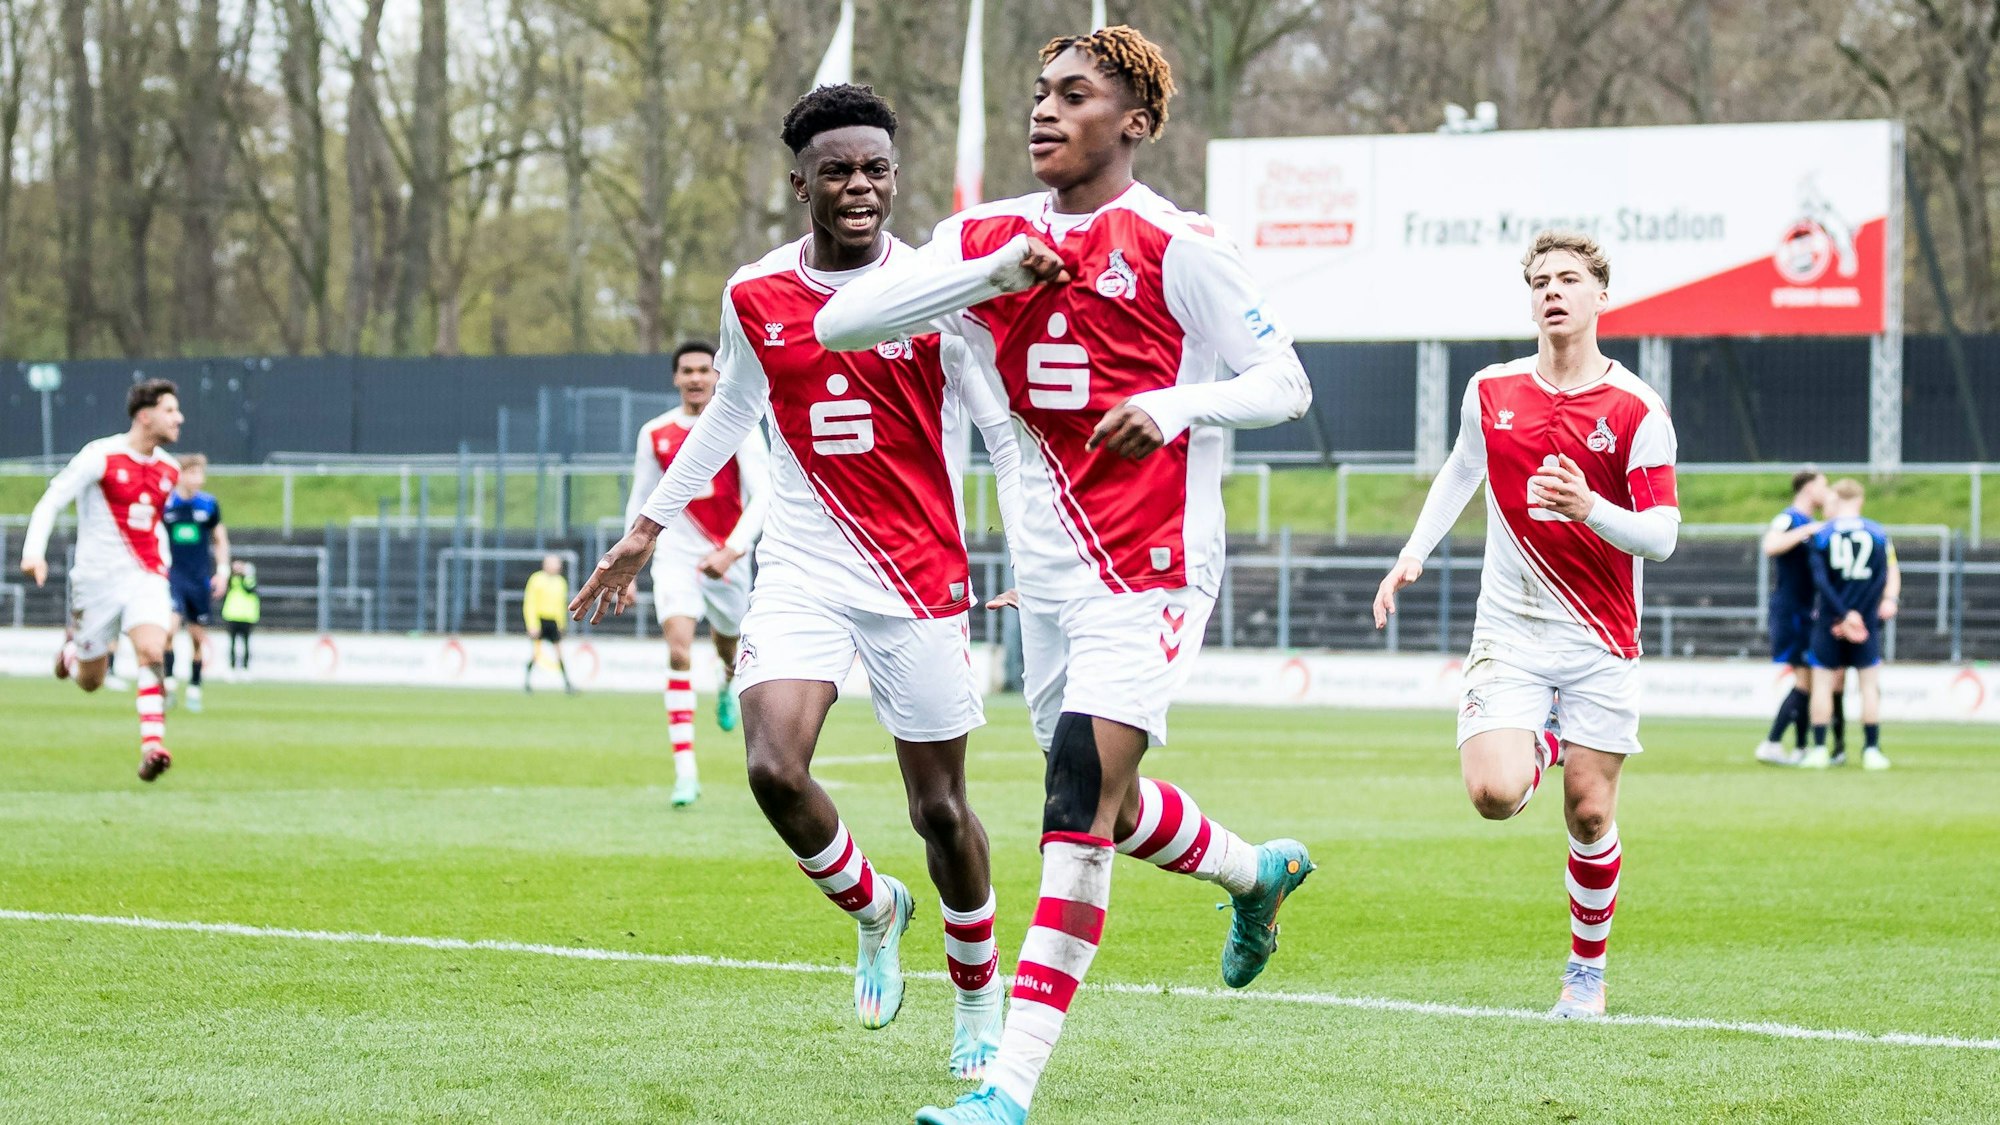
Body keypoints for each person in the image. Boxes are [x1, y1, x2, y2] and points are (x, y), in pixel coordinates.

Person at [813, 29, 1317, 1124]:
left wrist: (1177, 406)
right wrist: (986, 278)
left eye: (1073, 95)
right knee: (1107, 801)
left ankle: (1008, 1086)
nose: (1043, 110)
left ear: (1133, 122)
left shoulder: (1177, 246)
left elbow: (1284, 382)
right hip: (1044, 578)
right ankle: (1250, 873)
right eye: (1038, 92)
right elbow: (839, 321)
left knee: (1071, 805)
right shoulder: (983, 233)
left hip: (1152, 568)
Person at [573, 83, 1022, 1082]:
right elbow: (729, 415)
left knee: (939, 811)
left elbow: (998, 430)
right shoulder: (755, 294)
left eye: (873, 169)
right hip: (805, 570)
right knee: (774, 769)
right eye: (837, 171)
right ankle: (873, 908)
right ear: (799, 185)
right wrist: (645, 529)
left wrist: (1030, 552)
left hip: (919, 577)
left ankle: (977, 993)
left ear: (893, 179)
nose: (858, 185)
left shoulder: (940, 287)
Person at [1371, 230, 1680, 1023]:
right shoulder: (1491, 389)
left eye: (1569, 278)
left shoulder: (1637, 408)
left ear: (1600, 296)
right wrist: (1413, 552)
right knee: (1493, 792)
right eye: (1540, 280)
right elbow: (1461, 469)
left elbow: (1663, 534)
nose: (1553, 291)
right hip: (1510, 629)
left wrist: (1593, 509)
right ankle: (1540, 739)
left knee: (1588, 811)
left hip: (1600, 637)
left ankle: (1585, 975)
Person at [625, 339, 771, 807]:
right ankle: (685, 773)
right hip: (674, 556)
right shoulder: (655, 433)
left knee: (729, 645)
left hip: (726, 557)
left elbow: (764, 495)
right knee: (679, 649)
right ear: (675, 378)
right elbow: (640, 500)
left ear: (717, 376)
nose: (695, 378)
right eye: (686, 370)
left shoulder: (740, 427)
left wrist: (732, 550)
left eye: (704, 370)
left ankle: (727, 680)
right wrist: (627, 566)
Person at [19, 379, 186, 782]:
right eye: (170, 410)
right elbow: (53, 499)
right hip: (96, 581)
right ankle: (72, 655)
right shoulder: (101, 455)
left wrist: (162, 565)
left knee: (152, 649)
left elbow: (156, 525)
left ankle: (152, 746)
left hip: (145, 576)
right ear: (145, 416)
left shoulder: (169, 469)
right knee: (91, 681)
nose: (178, 418)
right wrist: (32, 552)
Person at [1801, 478, 1899, 770]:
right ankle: (1871, 749)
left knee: (1822, 683)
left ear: (1837, 500)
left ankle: (1819, 749)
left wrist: (1843, 615)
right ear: (1859, 500)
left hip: (1830, 619)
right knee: (1869, 686)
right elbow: (1881, 578)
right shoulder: (1878, 533)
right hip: (1865, 621)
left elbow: (1821, 581)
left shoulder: (1821, 534)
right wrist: (1859, 615)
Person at [1755, 468, 1826, 766]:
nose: (1827, 492)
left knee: (1807, 680)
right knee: (1804, 679)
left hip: (1805, 611)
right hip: (1791, 611)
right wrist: (1803, 533)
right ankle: (1772, 742)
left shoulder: (1811, 523)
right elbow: (1770, 544)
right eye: (1824, 485)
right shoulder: (1791, 518)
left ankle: (1799, 748)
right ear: (1809, 488)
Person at [161, 453, 230, 712]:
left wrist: (222, 571)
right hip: (173, 576)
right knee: (168, 630)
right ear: (180, 475)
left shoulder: (209, 505)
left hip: (199, 578)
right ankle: (168, 683)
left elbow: (220, 539)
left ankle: (194, 687)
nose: (197, 479)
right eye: (192, 473)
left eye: (200, 474)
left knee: (197, 637)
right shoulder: (167, 505)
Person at [522, 554, 577, 694]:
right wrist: (532, 624)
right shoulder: (536, 579)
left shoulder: (561, 582)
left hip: (553, 622)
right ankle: (527, 683)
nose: (557, 566)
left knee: (559, 653)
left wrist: (561, 624)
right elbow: (530, 603)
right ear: (545, 564)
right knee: (536, 654)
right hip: (540, 620)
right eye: (554, 563)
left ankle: (567, 684)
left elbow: (561, 605)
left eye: (557, 563)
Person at [220, 559, 259, 678]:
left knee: (246, 644)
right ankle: (231, 668)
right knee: (232, 643)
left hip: (247, 617)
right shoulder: (231, 579)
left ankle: (245, 668)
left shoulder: (249, 579)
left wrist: (245, 573)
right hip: (232, 615)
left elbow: (250, 588)